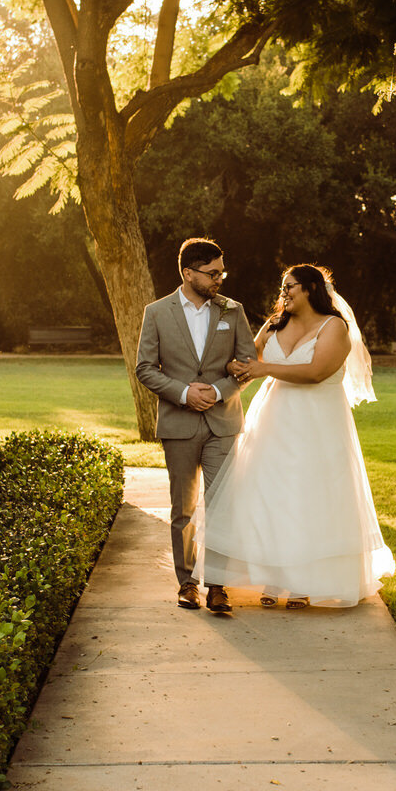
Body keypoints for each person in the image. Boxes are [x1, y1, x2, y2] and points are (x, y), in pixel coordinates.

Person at [202, 264, 394, 608]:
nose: (283, 292)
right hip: (273, 422)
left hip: (317, 425)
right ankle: (275, 581)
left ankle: (305, 584)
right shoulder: (276, 323)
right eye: (282, 286)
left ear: (309, 288)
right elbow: (249, 357)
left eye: (289, 286)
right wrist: (238, 366)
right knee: (271, 498)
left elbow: (317, 372)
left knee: (310, 499)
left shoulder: (335, 326)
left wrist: (263, 368)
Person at [134, 238, 258, 614]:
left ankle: (218, 586)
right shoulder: (156, 313)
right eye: (212, 272)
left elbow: (248, 362)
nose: (220, 278)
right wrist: (185, 394)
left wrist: (218, 392)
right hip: (178, 424)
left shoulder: (232, 311)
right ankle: (186, 583)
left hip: (222, 423)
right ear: (188, 273)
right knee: (183, 509)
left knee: (221, 506)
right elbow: (144, 369)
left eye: (222, 271)